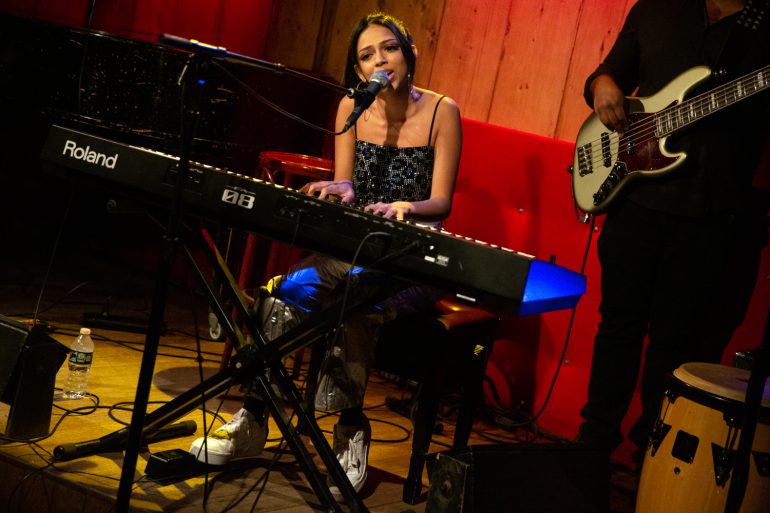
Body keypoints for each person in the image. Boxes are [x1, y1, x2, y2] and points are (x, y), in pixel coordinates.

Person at [189, 11, 462, 498]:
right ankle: (254, 416)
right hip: (354, 251)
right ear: (358, 71)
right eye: (367, 56)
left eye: (390, 48)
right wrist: (342, 188)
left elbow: (442, 201)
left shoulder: (443, 111)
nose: (380, 60)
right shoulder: (350, 107)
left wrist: (407, 206)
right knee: (281, 295)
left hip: (410, 260)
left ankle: (349, 432)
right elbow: (348, 184)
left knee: (352, 307)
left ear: (410, 53)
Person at [577, 0, 770, 468]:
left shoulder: (765, 24)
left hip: (710, 215)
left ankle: (652, 460)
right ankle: (590, 449)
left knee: (676, 345)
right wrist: (603, 85)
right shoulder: (659, 7)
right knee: (617, 328)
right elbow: (606, 75)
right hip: (634, 201)